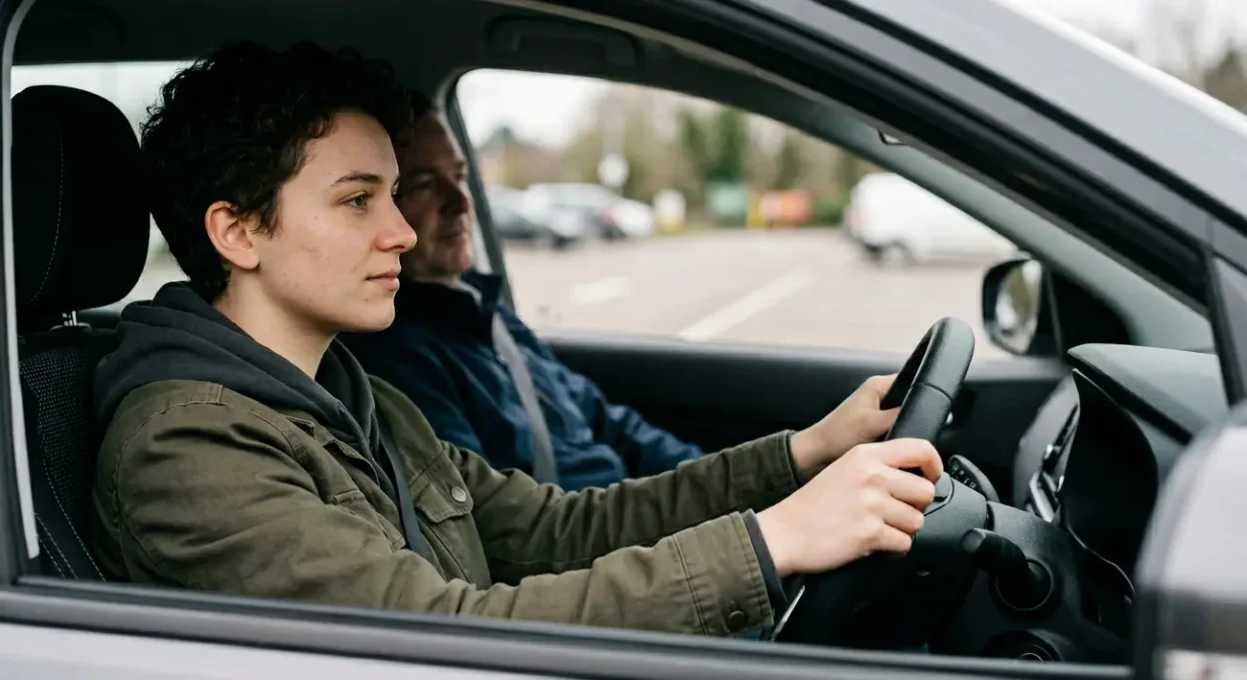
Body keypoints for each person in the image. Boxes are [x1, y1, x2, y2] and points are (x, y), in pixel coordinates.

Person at [90, 40, 943, 638]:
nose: (400, 232)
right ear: (238, 233)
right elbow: (433, 639)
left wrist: (802, 455)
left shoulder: (354, 397)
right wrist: (773, 545)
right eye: (359, 200)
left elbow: (560, 528)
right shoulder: (186, 445)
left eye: (397, 194)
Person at [340, 92, 703, 490]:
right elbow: (505, 531)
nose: (461, 201)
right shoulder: (396, 359)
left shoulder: (488, 314)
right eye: (424, 185)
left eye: (460, 177)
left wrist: (711, 481)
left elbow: (605, 420)